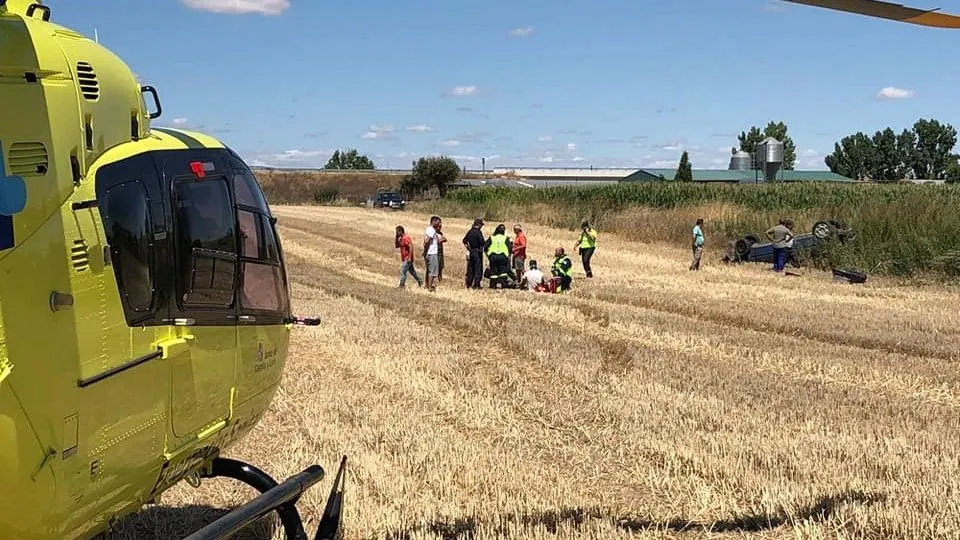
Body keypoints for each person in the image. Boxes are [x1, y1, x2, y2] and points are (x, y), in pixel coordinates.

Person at [484, 223, 515, 288]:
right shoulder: (506, 238)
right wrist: (508, 255)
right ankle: (504, 285)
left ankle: (493, 285)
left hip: (493, 256)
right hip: (503, 256)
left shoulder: (492, 238)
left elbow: (485, 246)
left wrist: (488, 254)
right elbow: (510, 247)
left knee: (493, 271)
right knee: (503, 271)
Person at [423, 215, 446, 291]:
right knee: (432, 271)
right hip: (431, 253)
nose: (439, 224)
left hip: (432, 252)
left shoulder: (433, 230)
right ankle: (429, 287)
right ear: (433, 222)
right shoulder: (430, 229)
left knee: (432, 271)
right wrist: (426, 250)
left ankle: (429, 285)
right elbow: (427, 240)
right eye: (438, 222)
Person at [462, 218, 485, 289]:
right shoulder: (478, 232)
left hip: (471, 252)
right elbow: (482, 242)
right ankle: (476, 284)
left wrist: (468, 248)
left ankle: (469, 283)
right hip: (477, 252)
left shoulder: (470, 231)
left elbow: (464, 240)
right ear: (478, 225)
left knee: (471, 268)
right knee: (478, 268)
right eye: (481, 225)